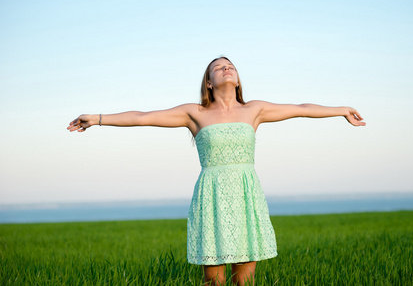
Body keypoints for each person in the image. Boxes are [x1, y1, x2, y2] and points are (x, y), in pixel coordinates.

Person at [67, 56, 365, 285]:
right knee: (214, 279)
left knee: (245, 278)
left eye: (230, 66)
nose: (226, 68)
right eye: (218, 67)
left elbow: (301, 108)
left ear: (237, 79)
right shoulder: (194, 113)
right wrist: (98, 118)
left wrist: (341, 110)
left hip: (246, 193)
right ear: (208, 82)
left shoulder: (255, 110)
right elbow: (143, 117)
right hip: (211, 194)